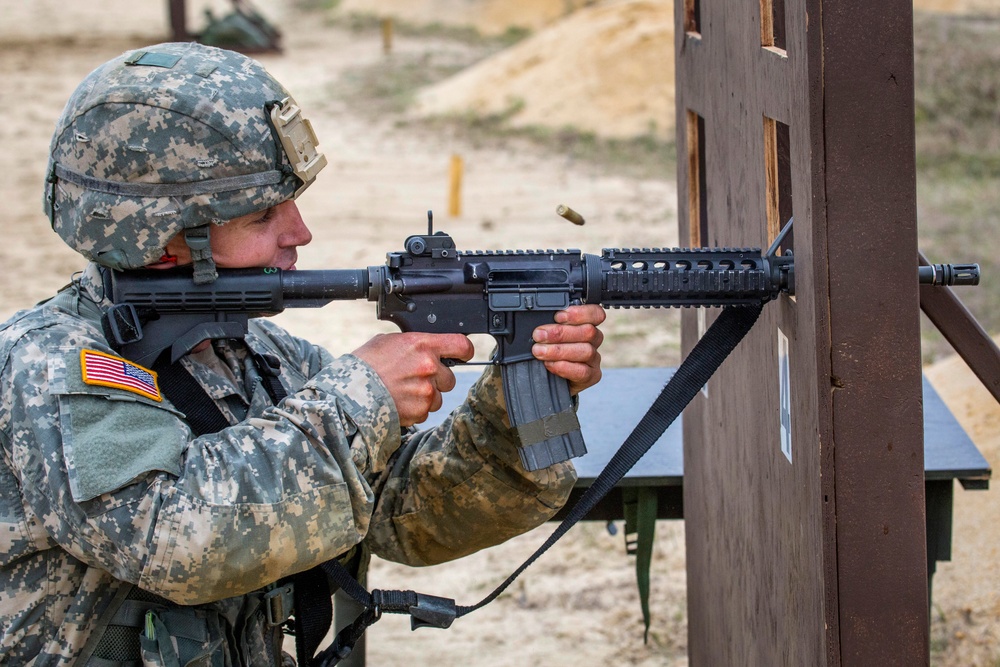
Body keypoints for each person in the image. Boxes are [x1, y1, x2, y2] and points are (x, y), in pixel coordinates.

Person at [0, 42, 606, 665]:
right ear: (162, 240)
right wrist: (360, 398)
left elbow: (406, 513)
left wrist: (516, 400)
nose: (300, 233)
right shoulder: (53, 369)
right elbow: (177, 540)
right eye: (264, 213)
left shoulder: (254, 356)